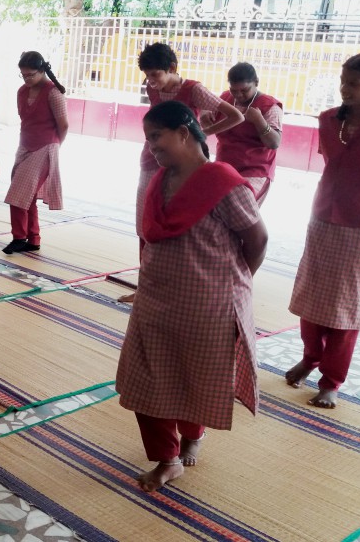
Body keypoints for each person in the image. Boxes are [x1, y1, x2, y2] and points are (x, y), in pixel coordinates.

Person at [116, 100, 267, 492]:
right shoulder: (159, 181)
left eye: (156, 137)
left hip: (207, 304)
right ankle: (168, 459)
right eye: (148, 139)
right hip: (155, 299)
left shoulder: (223, 181)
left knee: (191, 378)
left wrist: (233, 283)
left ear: (184, 133)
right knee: (145, 380)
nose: (151, 147)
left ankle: (193, 433)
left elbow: (257, 238)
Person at [286, 52, 360, 409]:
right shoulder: (327, 120)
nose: (344, 89)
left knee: (346, 309)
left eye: (353, 84)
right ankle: (311, 357)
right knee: (312, 299)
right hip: (323, 219)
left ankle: (331, 381)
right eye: (343, 81)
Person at [120, 42, 244, 303]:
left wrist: (200, 135)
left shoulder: (194, 90)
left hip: (185, 167)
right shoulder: (151, 89)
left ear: (172, 68)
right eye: (147, 75)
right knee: (146, 224)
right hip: (151, 161)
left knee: (180, 225)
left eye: (156, 74)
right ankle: (146, 285)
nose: (151, 81)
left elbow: (235, 116)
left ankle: (173, 284)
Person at [2, 51, 68, 254]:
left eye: (30, 75)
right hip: (25, 145)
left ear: (42, 71)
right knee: (25, 194)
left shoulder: (53, 92)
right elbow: (25, 120)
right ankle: (33, 238)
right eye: (23, 75)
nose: (26, 79)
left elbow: (63, 125)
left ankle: (19, 237)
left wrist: (54, 146)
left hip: (45, 146)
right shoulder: (22, 91)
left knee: (17, 193)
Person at [203, 62, 282, 205]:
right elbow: (209, 122)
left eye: (244, 90)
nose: (239, 95)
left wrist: (259, 121)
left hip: (255, 171)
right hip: (224, 165)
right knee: (210, 206)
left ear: (256, 82)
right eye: (234, 90)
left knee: (238, 207)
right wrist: (205, 115)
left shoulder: (269, 106)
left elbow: (274, 143)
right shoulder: (226, 98)